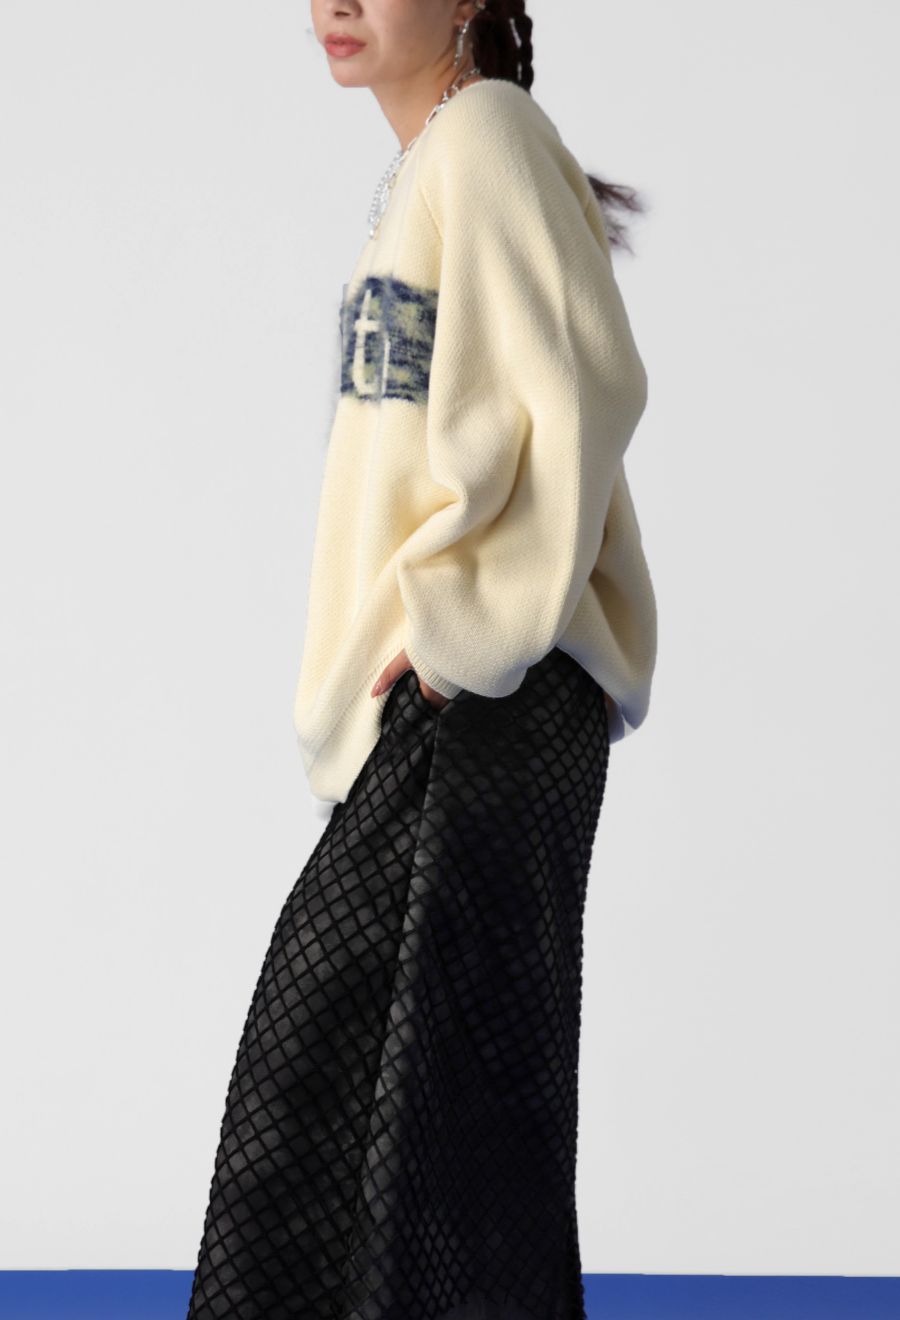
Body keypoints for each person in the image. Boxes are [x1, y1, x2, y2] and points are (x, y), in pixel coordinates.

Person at [185, 3, 657, 1318]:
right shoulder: (435, 163)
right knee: (407, 1126)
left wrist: (463, 635)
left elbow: (588, 386)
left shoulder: (487, 134)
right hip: (461, 703)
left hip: (487, 701)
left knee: (381, 1118)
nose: (338, 3)